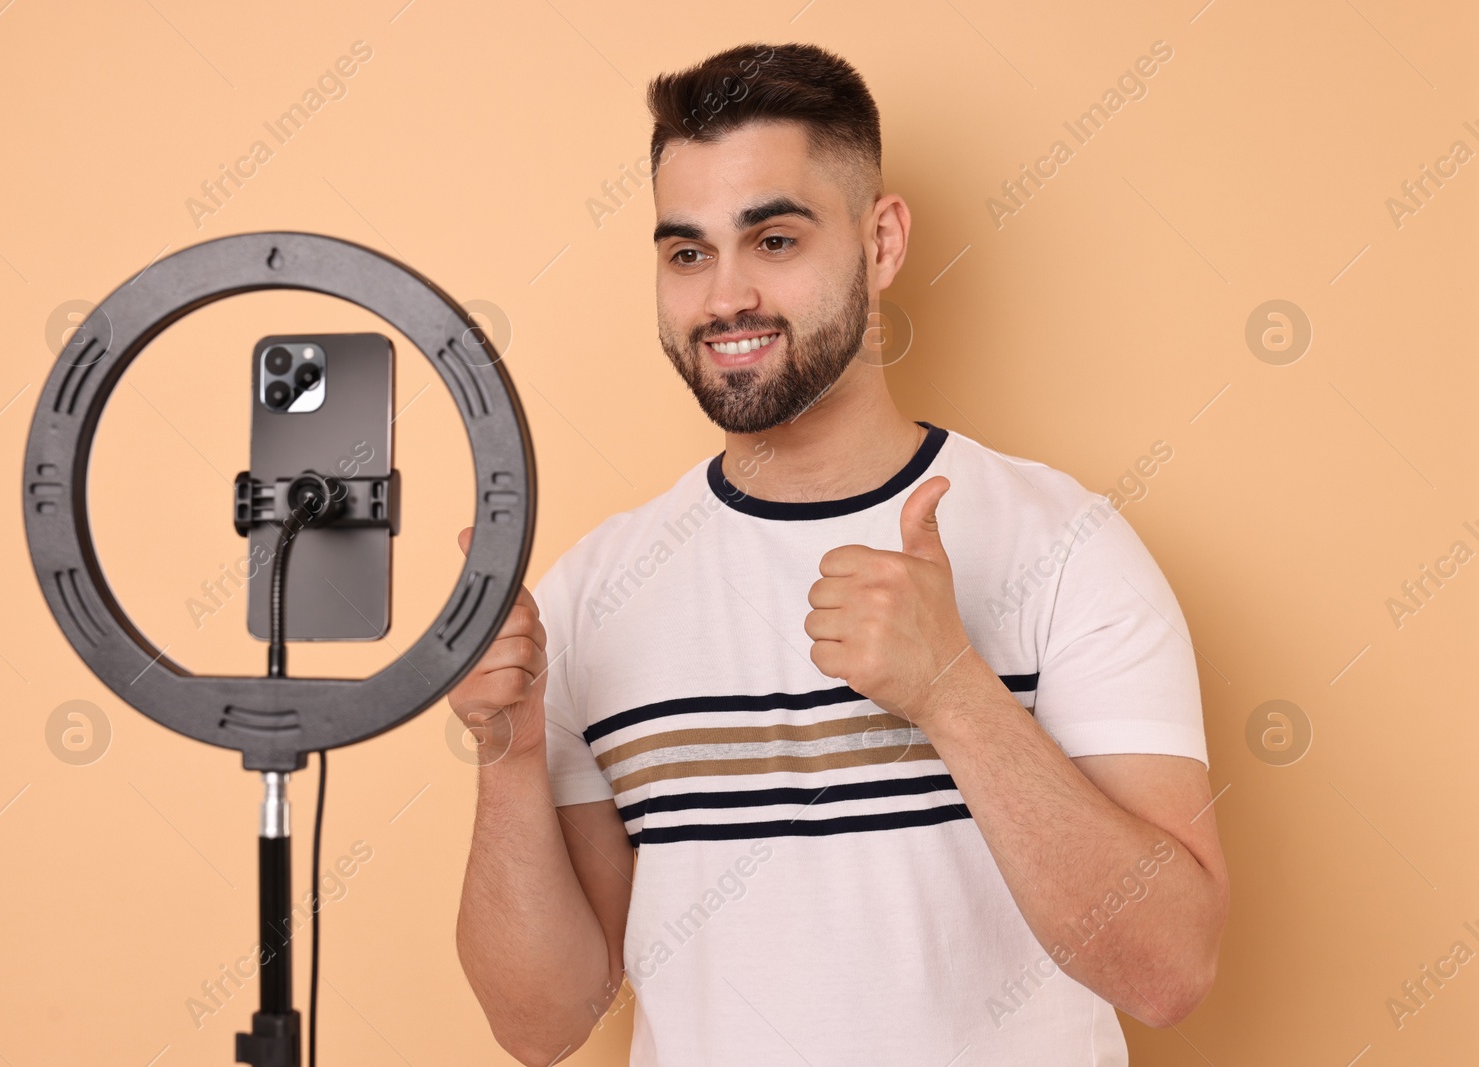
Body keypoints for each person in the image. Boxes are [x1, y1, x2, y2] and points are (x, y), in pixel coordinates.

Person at [450, 41, 1228, 1067]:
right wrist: (505, 755)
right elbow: (539, 1022)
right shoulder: (593, 594)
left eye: (773, 239)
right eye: (686, 253)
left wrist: (953, 690)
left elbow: (1166, 968)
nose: (725, 296)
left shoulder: (1066, 544)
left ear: (882, 240)